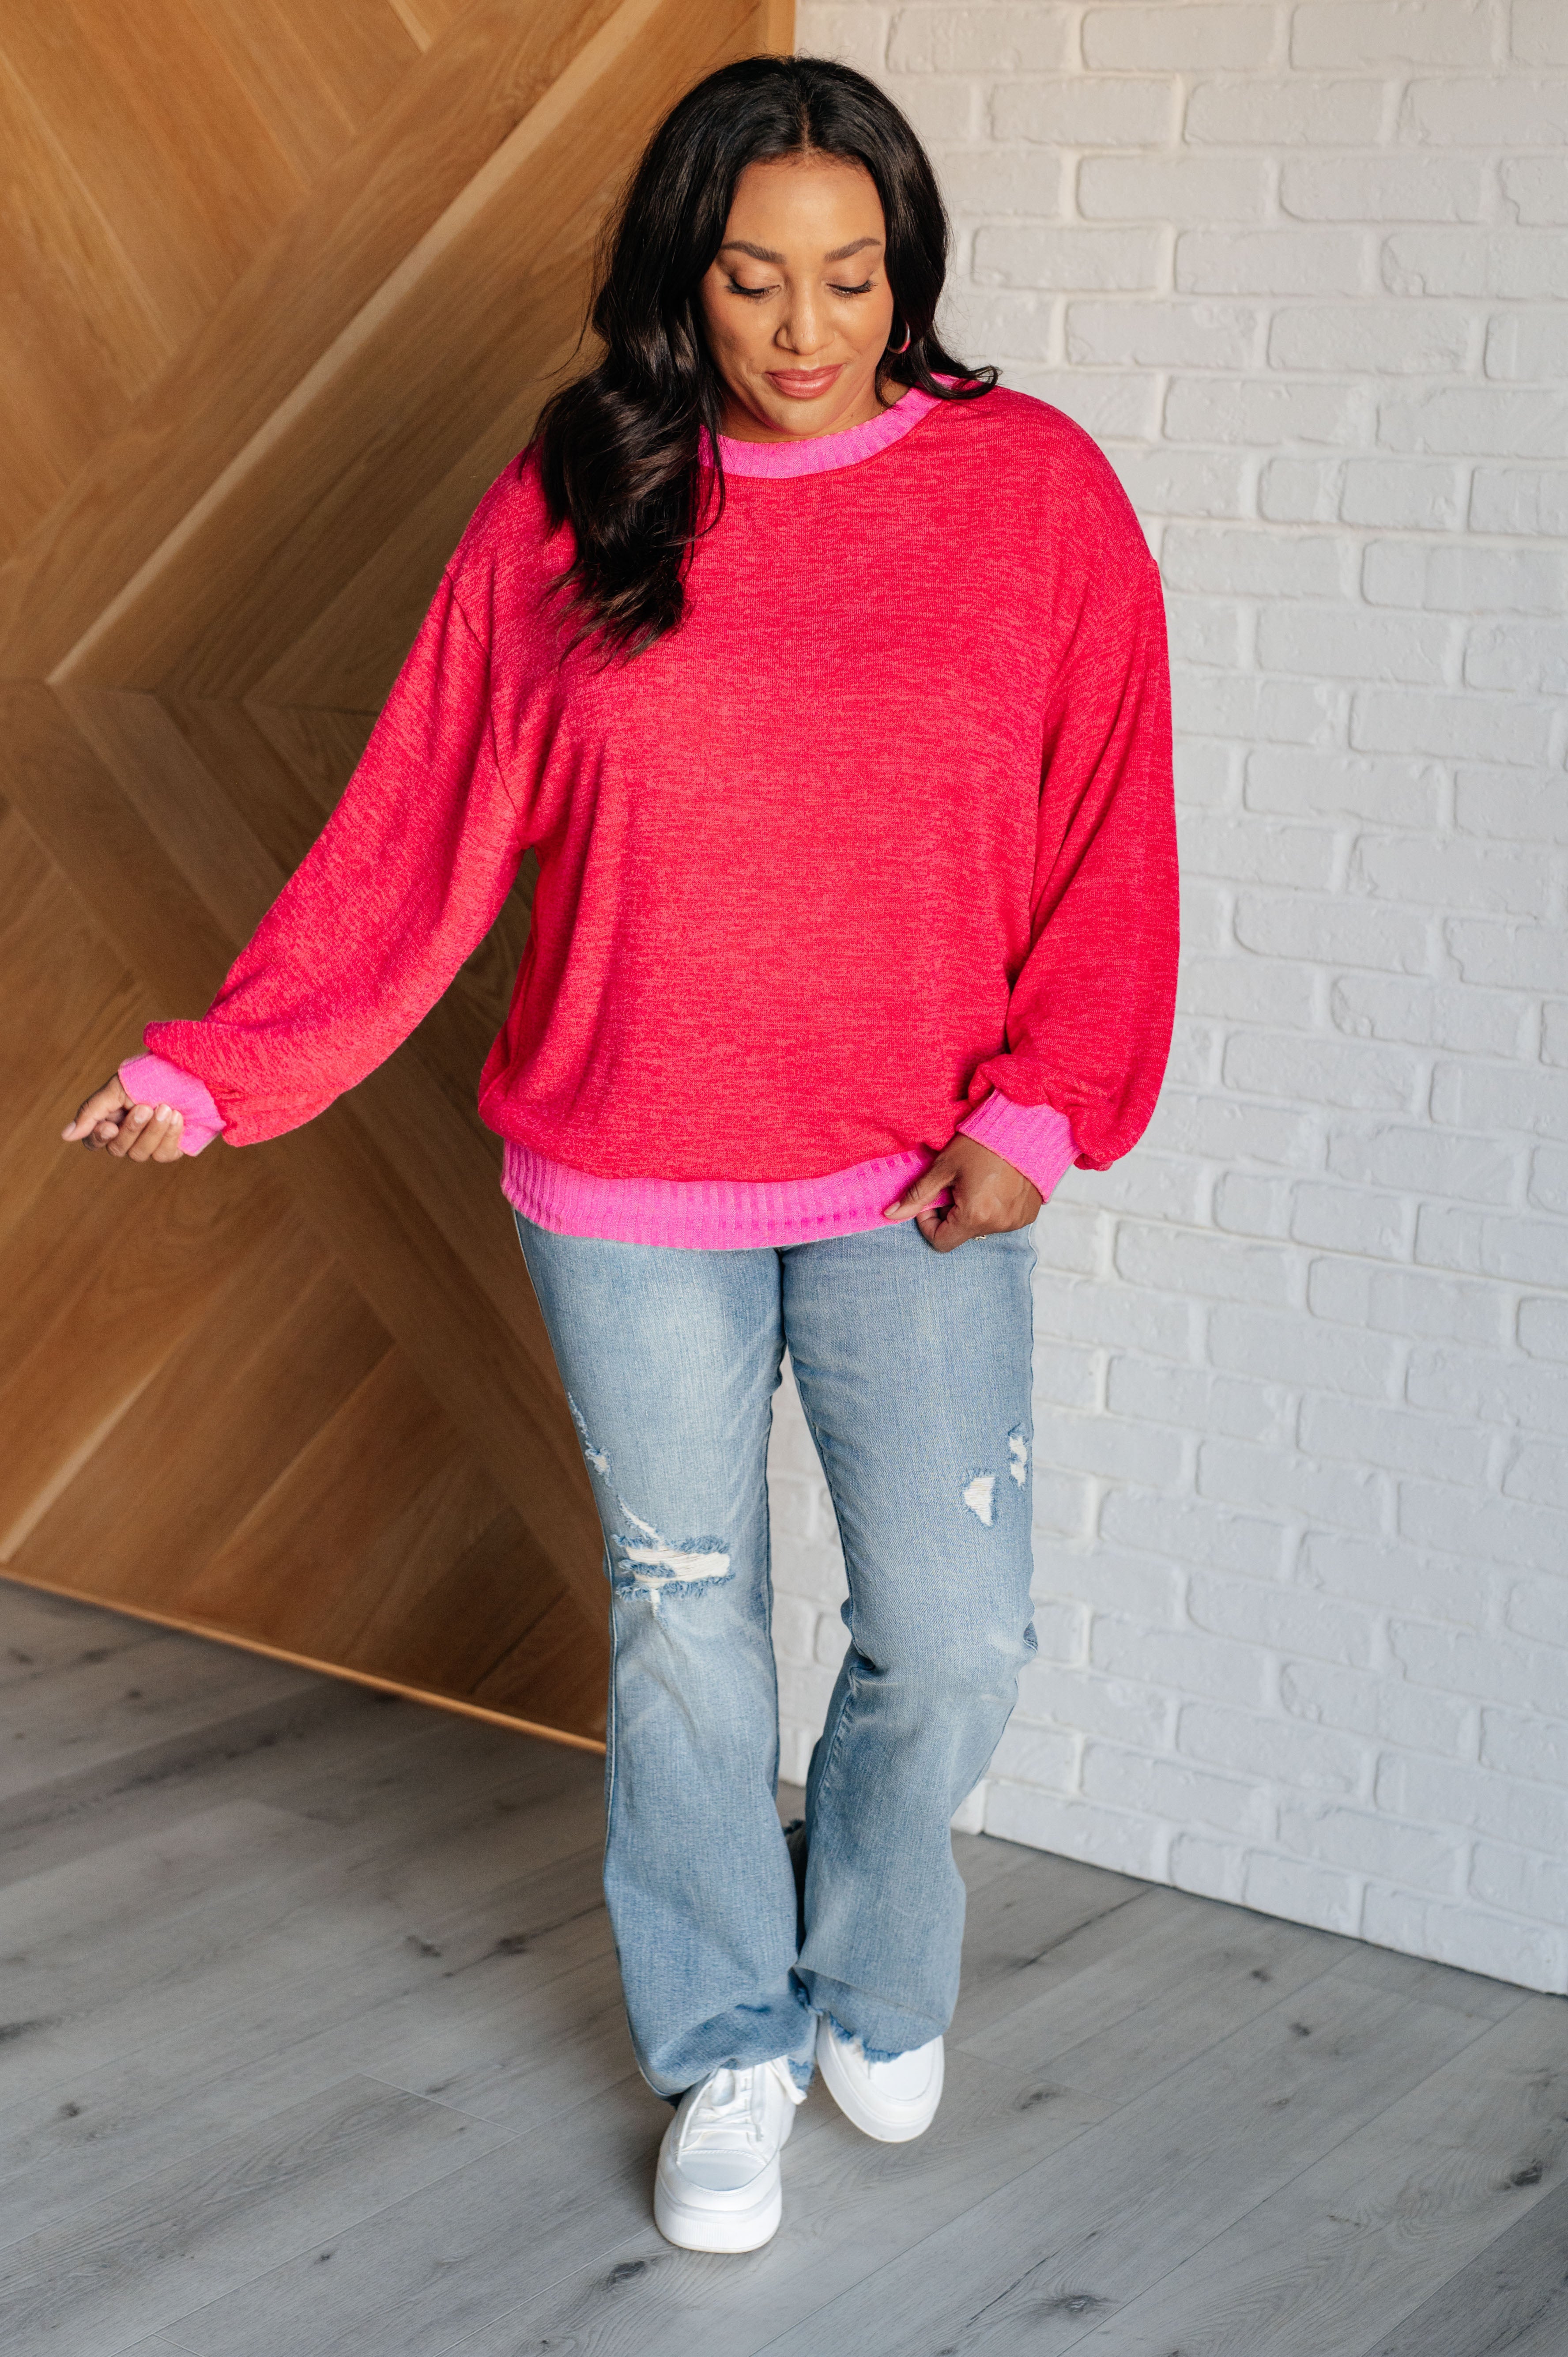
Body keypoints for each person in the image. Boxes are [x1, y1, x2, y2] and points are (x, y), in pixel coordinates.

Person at [62, 56, 1176, 2253]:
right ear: (684, 277)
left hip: (925, 1172)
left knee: (955, 1630)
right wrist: (224, 1065)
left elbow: (1109, 827)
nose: (805, 328)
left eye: (851, 276)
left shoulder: (1035, 493)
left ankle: (873, 1959)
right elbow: (422, 819)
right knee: (687, 1626)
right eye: (754, 278)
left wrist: (1045, 1112)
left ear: (908, 271)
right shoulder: (580, 491)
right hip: (626, 1176)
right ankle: (728, 2043)